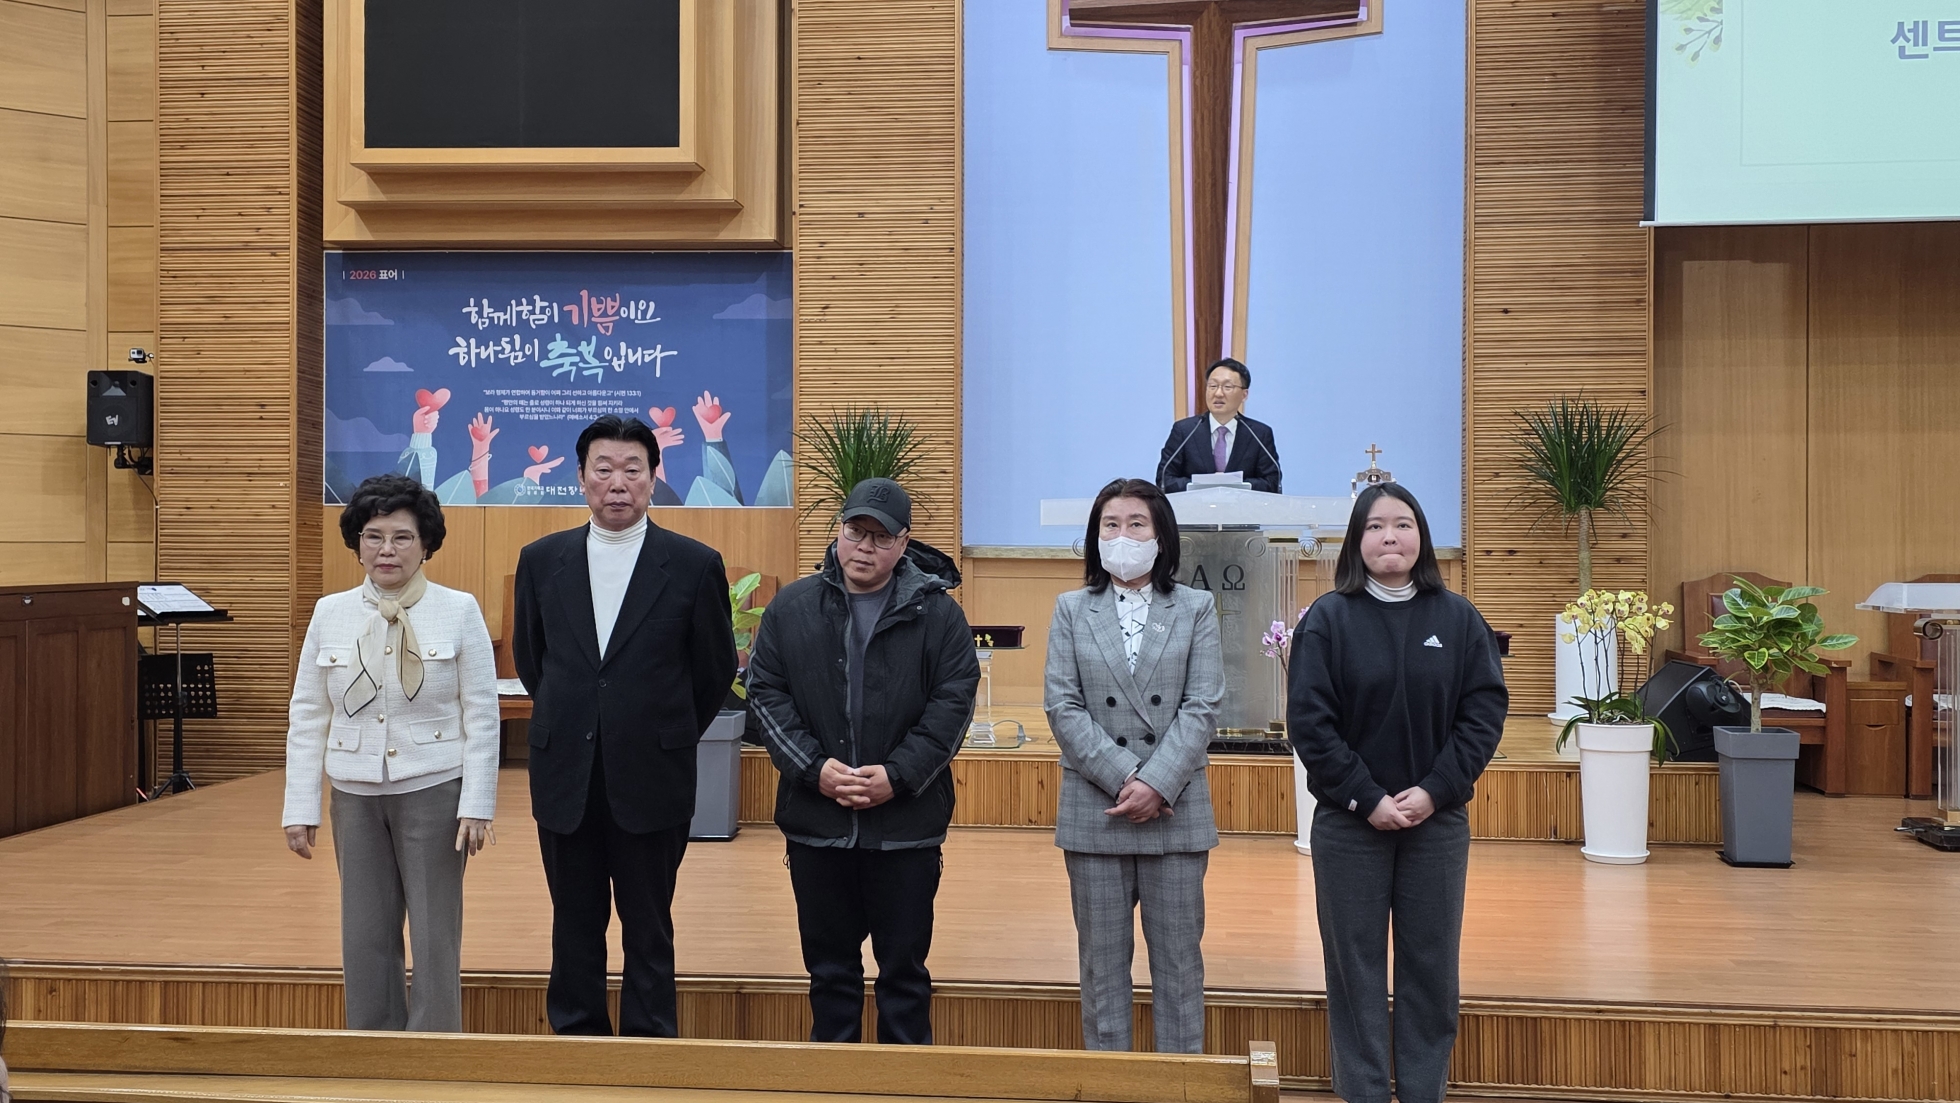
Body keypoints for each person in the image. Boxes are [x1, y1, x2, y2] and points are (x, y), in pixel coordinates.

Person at [513, 414, 738, 1037]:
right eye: (604, 469)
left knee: (648, 925)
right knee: (573, 921)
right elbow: (535, 663)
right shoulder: (542, 560)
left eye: (633, 469)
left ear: (654, 476)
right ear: (581, 476)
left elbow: (713, 670)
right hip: (567, 774)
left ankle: (649, 1049)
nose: (618, 482)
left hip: (652, 775)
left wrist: (659, 730)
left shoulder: (693, 564)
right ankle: (577, 1040)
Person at [1286, 483, 1508, 1103]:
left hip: (1436, 825)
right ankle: (1361, 1091)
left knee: (1431, 967)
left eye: (1403, 524)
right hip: (1349, 824)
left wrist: (1435, 791)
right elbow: (1310, 723)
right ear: (1357, 541)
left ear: (1421, 537)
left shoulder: (1457, 618)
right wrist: (1367, 797)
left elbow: (1483, 714)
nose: (1390, 536)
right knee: (1353, 970)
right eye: (1376, 526)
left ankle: (1421, 1091)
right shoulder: (1329, 619)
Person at [745, 477, 980, 1045]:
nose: (865, 547)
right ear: (839, 531)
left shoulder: (939, 616)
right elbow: (765, 693)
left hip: (905, 829)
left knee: (904, 976)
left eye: (881, 537)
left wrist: (897, 777)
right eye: (856, 532)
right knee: (830, 976)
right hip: (817, 825)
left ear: (904, 543)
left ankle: (905, 1082)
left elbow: (953, 705)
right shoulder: (792, 607)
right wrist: (814, 769)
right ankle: (834, 1080)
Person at [282, 473, 500, 1032]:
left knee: (434, 933)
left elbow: (481, 713)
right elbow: (308, 714)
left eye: (402, 537)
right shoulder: (329, 612)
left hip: (434, 789)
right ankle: (372, 1049)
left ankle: (433, 1054)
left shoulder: (459, 610)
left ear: (425, 544)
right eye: (374, 536)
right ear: (357, 543)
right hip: (353, 794)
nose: (387, 550)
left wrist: (478, 803)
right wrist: (300, 808)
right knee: (364, 933)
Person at [1044, 478, 1223, 1053]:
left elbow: (1203, 705)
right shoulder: (1071, 609)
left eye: (1137, 524)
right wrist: (1127, 777)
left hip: (1176, 811)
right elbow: (1062, 706)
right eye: (1111, 525)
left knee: (1179, 968)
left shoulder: (1196, 607)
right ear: (1095, 537)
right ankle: (1110, 1085)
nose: (1123, 536)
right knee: (1101, 972)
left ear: (1161, 536)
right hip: (1097, 811)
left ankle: (1182, 1086)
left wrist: (1157, 782)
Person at [1157, 358, 1282, 493]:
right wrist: (1202, 485)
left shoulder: (1259, 434)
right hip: (1195, 505)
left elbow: (1272, 482)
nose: (1218, 393)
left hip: (1242, 506)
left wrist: (1235, 486)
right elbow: (1164, 479)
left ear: (1244, 395)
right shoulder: (1185, 431)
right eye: (1213, 386)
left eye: (1227, 387)